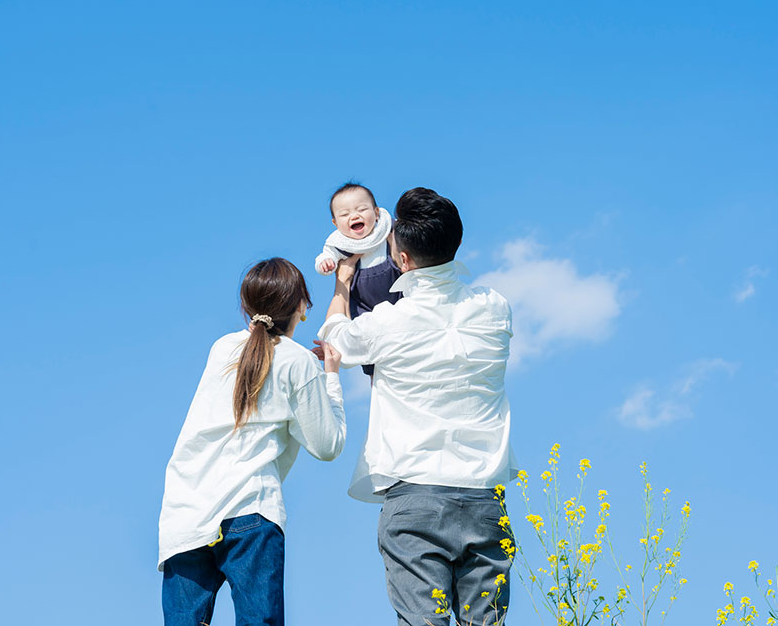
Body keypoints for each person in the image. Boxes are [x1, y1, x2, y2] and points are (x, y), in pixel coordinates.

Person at [317, 188, 518, 626]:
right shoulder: (495, 307)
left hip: (414, 492)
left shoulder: (390, 321)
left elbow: (335, 335)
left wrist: (343, 284)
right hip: (484, 496)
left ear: (402, 262)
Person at [159, 258, 346, 626]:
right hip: (250, 509)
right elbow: (328, 445)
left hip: (186, 513)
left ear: (246, 306)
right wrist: (330, 379)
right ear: (302, 307)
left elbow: (261, 372)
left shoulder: (222, 348)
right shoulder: (298, 363)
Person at [314, 182, 401, 375]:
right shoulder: (340, 244)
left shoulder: (386, 231)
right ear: (335, 224)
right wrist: (326, 263)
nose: (354, 216)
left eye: (362, 209)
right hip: (363, 306)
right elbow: (324, 256)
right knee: (371, 359)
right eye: (344, 215)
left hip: (396, 295)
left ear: (377, 213)